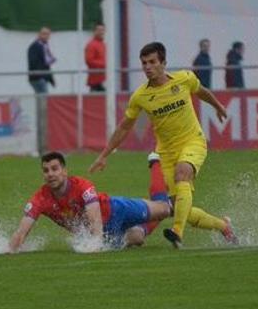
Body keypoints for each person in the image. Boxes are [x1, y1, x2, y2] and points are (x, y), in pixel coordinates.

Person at [89, 42, 237, 249]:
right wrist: (104, 154)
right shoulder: (140, 96)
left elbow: (200, 90)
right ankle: (223, 226)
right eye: (144, 63)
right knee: (177, 207)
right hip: (166, 153)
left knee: (183, 172)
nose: (148, 67)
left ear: (163, 63)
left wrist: (218, 105)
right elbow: (124, 127)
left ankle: (177, 232)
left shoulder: (184, 78)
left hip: (193, 141)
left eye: (152, 62)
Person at [9, 151, 173, 253]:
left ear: (64, 171)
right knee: (137, 237)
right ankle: (169, 205)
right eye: (46, 171)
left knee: (165, 208)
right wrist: (11, 249)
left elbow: (95, 219)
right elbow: (22, 231)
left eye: (54, 169)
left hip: (116, 210)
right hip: (104, 230)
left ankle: (155, 160)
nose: (50, 174)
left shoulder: (82, 186)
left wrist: (95, 244)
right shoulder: (40, 198)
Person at [27, 26, 56, 94]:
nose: (46, 36)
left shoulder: (44, 46)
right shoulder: (35, 46)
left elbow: (47, 64)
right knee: (43, 97)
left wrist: (51, 80)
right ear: (39, 34)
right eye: (44, 34)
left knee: (41, 98)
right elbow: (34, 62)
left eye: (48, 34)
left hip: (41, 77)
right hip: (38, 77)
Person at [85, 22, 106, 92]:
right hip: (95, 80)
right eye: (99, 30)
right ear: (94, 31)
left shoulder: (103, 44)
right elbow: (89, 61)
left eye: (102, 30)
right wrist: (104, 64)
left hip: (103, 79)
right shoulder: (91, 45)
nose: (101, 32)